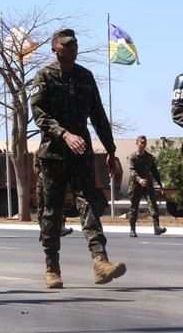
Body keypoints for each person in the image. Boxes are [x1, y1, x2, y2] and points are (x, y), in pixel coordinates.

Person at [30, 28, 126, 289]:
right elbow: (39, 114)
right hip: (53, 155)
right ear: (54, 49)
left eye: (74, 44)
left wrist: (111, 151)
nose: (71, 48)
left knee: (88, 203)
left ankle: (100, 261)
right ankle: (52, 267)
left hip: (81, 153)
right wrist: (64, 134)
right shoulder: (44, 77)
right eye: (65, 45)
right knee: (52, 210)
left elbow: (98, 116)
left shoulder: (85, 76)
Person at [127, 135, 166, 237]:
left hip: (148, 184)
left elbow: (155, 171)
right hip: (135, 185)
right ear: (137, 143)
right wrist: (139, 179)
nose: (143, 144)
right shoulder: (133, 156)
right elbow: (132, 170)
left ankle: (156, 227)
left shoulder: (150, 157)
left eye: (145, 142)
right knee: (134, 207)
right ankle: (132, 229)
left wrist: (160, 185)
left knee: (153, 204)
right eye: (141, 142)